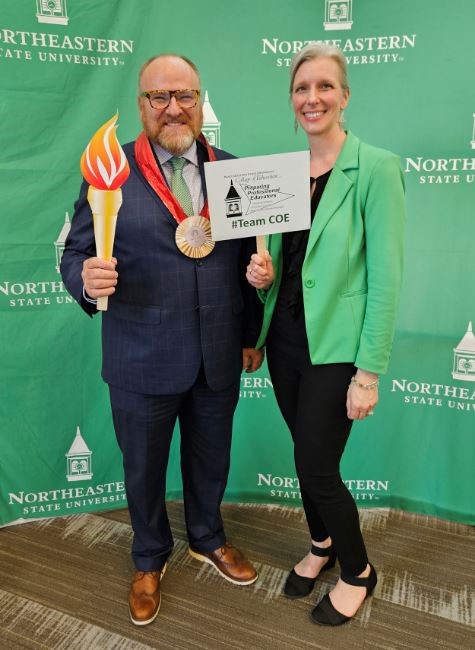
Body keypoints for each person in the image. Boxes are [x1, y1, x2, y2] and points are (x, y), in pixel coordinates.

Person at [61, 53, 263, 626]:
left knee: (211, 458)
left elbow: (250, 259)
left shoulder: (235, 171)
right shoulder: (109, 175)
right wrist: (84, 277)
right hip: (140, 357)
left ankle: (208, 535)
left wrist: (252, 333)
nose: (173, 108)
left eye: (185, 96)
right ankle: (149, 556)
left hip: (218, 353)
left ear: (201, 101)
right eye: (159, 98)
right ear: (141, 105)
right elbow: (76, 253)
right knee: (143, 469)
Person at [246, 43, 405, 626]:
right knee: (302, 455)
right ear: (292, 102)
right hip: (286, 341)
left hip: (338, 351)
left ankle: (359, 569)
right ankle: (322, 545)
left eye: (324, 87)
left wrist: (369, 373)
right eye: (301, 88)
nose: (312, 98)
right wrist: (262, 277)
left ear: (344, 96)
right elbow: (288, 268)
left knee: (317, 466)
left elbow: (386, 279)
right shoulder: (285, 174)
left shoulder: (377, 168)